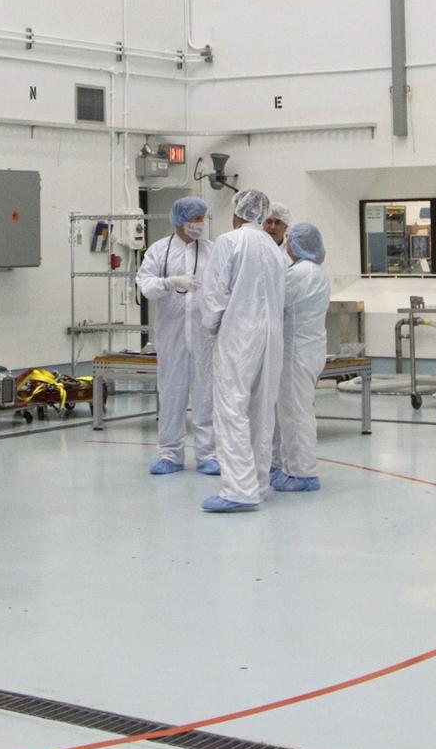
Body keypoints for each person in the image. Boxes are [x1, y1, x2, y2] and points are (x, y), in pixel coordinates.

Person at [199, 189, 287, 513]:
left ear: (237, 213)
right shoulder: (273, 248)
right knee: (262, 409)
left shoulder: (229, 241)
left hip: (238, 334)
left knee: (232, 408)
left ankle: (238, 489)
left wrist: (211, 328)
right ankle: (258, 484)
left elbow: (214, 293)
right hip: (271, 335)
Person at [134, 196, 217, 475]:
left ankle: (209, 455)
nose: (200, 224)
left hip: (204, 336)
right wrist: (170, 282)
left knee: (206, 396)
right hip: (172, 335)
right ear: (180, 220)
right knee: (171, 394)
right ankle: (170, 454)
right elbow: (146, 286)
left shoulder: (211, 250)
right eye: (195, 219)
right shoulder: (159, 250)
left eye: (202, 219)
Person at [271, 222, 330, 493]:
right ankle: (291, 467)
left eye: (290, 240)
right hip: (309, 349)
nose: (288, 244)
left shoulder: (300, 273)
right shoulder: (316, 272)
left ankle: (302, 473)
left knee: (295, 413)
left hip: (296, 351)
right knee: (294, 410)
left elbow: (275, 300)